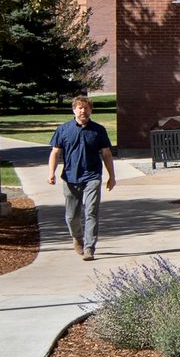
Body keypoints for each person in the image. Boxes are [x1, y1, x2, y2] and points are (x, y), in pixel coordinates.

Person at [48, 95, 116, 260]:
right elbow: (55, 153)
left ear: (90, 110)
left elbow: (107, 154)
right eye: (80, 108)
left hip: (92, 176)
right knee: (72, 216)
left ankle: (89, 248)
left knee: (91, 211)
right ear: (74, 110)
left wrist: (111, 176)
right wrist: (51, 173)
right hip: (70, 177)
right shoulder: (63, 130)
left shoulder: (98, 130)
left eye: (86, 108)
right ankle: (77, 237)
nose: (83, 111)